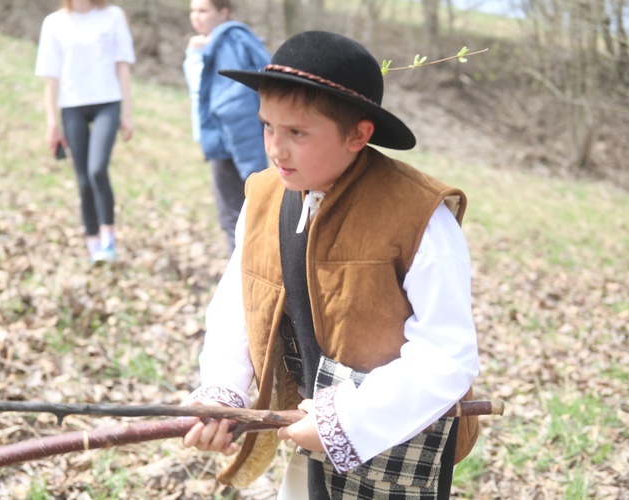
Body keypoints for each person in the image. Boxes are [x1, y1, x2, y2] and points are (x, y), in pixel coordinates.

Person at [182, 31, 481, 499]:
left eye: (297, 133)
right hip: (308, 431)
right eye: (267, 127)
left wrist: (350, 420)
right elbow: (240, 304)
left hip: (395, 436)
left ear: (358, 135)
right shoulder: (264, 195)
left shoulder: (420, 215)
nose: (276, 149)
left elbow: (447, 354)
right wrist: (224, 391)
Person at [35, 0, 135, 265]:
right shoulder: (54, 23)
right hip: (72, 106)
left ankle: (108, 240)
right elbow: (51, 77)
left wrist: (127, 113)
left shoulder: (113, 16)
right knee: (82, 177)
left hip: (108, 102)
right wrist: (51, 123)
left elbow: (122, 66)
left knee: (97, 170)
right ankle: (92, 242)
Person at [183, 0, 270, 255]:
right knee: (238, 216)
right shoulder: (211, 42)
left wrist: (247, 160)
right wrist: (193, 51)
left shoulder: (226, 43)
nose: (196, 17)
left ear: (224, 12)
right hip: (228, 141)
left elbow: (235, 104)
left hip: (230, 143)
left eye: (203, 11)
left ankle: (242, 284)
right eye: (193, 11)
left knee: (235, 217)